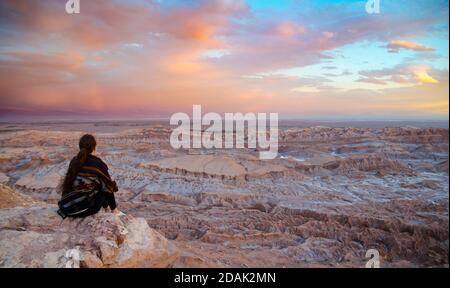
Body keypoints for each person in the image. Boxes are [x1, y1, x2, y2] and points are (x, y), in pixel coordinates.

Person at [59, 134, 120, 218]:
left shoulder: (74, 160)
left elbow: (68, 182)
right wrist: (113, 207)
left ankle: (106, 208)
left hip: (68, 207)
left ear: (80, 147)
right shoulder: (97, 164)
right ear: (94, 147)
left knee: (99, 183)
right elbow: (108, 187)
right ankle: (113, 210)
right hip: (86, 208)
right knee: (106, 184)